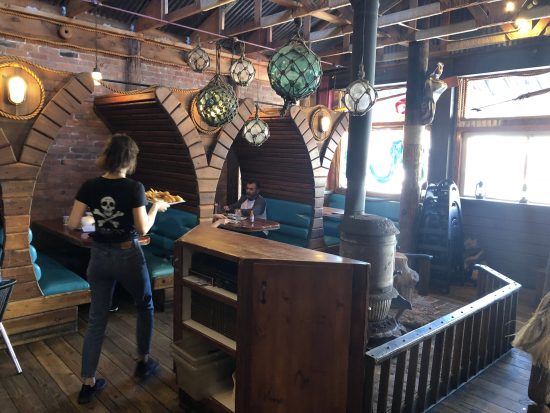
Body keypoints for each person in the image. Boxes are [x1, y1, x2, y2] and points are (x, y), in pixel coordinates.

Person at [67, 134, 169, 404]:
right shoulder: (135, 187)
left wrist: (99, 223)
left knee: (97, 319)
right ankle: (142, 361)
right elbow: (143, 228)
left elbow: (74, 223)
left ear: (107, 156)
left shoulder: (89, 186)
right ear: (130, 159)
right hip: (127, 256)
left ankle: (88, 382)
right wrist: (156, 206)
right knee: (144, 304)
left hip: (98, 258)